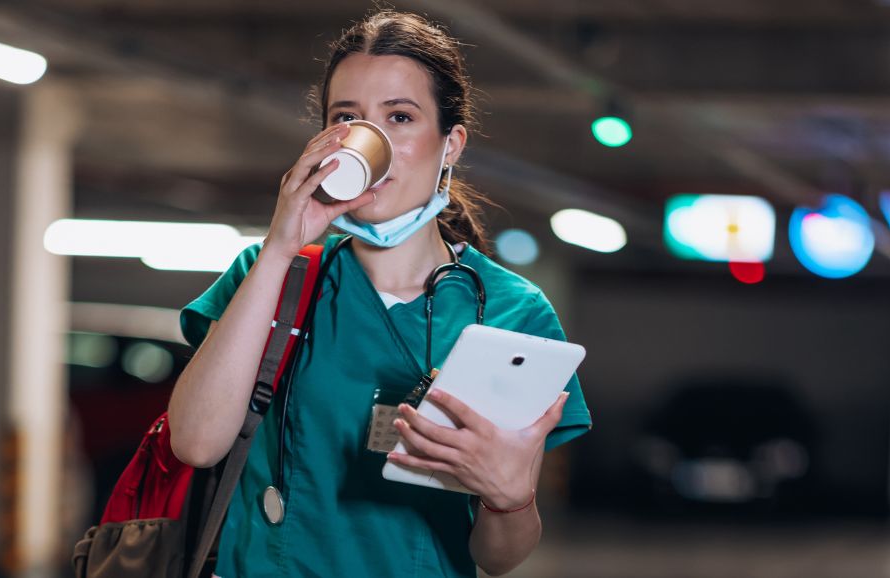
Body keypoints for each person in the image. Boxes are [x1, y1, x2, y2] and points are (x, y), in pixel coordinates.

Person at [168, 10, 591, 578]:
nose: (374, 144)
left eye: (400, 116)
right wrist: (278, 247)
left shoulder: (511, 312)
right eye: (349, 118)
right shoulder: (275, 274)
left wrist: (509, 498)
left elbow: (498, 558)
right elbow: (195, 443)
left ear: (451, 144)